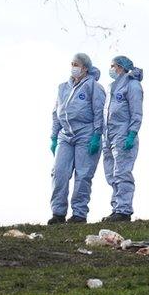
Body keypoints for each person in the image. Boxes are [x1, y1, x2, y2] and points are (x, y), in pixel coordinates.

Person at [49, 53, 106, 224]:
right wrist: (53, 136)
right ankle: (58, 213)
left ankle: (79, 214)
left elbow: (99, 113)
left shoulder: (94, 87)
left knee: (83, 175)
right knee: (59, 173)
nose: (73, 67)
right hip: (65, 136)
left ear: (85, 68)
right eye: (72, 63)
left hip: (86, 134)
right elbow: (55, 113)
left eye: (77, 64)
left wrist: (97, 135)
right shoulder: (62, 88)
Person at [101, 55, 144, 222]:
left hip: (124, 135)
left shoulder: (132, 85)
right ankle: (116, 208)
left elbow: (136, 112)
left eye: (114, 66)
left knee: (122, 173)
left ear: (122, 67)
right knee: (111, 174)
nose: (111, 69)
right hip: (109, 136)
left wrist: (132, 133)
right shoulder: (112, 87)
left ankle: (124, 210)